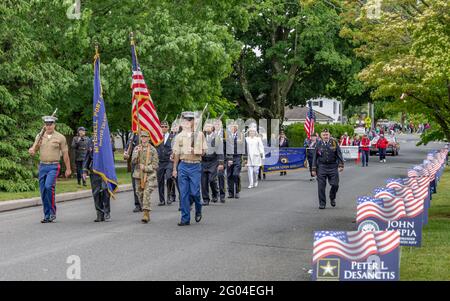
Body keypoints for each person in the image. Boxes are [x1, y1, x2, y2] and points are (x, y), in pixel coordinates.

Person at [28, 115, 72, 223]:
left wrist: (68, 169)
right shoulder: (39, 136)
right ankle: (47, 215)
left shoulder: (60, 137)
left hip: (54, 166)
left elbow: (65, 154)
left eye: (50, 124)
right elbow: (35, 149)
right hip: (42, 166)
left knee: (48, 187)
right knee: (43, 191)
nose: (48, 126)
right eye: (47, 124)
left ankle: (52, 212)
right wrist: (32, 150)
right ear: (44, 125)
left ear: (54, 125)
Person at [172, 111, 207, 226]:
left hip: (195, 165)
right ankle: (185, 218)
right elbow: (176, 154)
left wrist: (195, 151)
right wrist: (174, 169)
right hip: (183, 165)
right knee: (183, 193)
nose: (186, 122)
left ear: (192, 121)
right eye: (185, 120)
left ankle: (198, 208)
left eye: (189, 120)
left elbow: (204, 152)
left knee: (195, 192)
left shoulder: (200, 135)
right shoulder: (179, 136)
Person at [311, 128, 344, 209]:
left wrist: (341, 165)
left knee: (335, 185)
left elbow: (339, 154)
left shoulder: (334, 142)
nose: (325, 136)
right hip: (322, 167)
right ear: (321, 135)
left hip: (333, 166)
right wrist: (314, 169)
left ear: (329, 135)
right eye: (324, 135)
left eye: (327, 134)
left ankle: (332, 197)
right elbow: (315, 157)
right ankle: (322, 203)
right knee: (321, 186)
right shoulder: (318, 143)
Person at [131, 131, 159, 223]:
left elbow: (155, 165)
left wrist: (146, 168)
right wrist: (136, 154)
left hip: (150, 175)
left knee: (147, 192)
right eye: (142, 137)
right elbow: (133, 161)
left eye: (145, 137)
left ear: (149, 138)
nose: (143, 138)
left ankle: (145, 213)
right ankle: (145, 209)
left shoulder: (153, 150)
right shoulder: (136, 148)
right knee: (139, 193)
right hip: (138, 175)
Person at [83, 139, 111, 222]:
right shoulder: (90, 141)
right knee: (96, 192)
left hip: (104, 169)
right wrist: (84, 170)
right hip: (94, 169)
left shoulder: (106, 138)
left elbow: (110, 154)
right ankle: (99, 213)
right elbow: (87, 156)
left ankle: (106, 211)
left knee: (105, 189)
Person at [201, 120, 224, 205]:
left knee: (211, 179)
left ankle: (215, 193)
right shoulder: (201, 137)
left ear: (212, 128)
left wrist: (221, 163)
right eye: (205, 126)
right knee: (203, 181)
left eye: (209, 126)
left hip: (213, 161)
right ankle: (206, 199)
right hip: (203, 161)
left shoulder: (217, 138)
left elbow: (220, 151)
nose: (207, 128)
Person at [156, 120, 175, 206]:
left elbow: (175, 148)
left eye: (165, 126)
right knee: (160, 181)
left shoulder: (172, 137)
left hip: (169, 161)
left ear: (168, 127)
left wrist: (173, 154)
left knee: (169, 177)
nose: (163, 128)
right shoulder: (157, 137)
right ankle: (162, 200)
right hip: (159, 162)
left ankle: (169, 197)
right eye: (162, 126)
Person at [124, 133, 141, 212]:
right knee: (135, 185)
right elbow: (128, 146)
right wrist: (126, 153)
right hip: (135, 163)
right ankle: (137, 204)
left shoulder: (147, 131)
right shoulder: (132, 134)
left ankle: (145, 203)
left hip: (145, 163)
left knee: (144, 184)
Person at [226, 122, 243, 199]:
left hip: (237, 157)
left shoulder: (240, 136)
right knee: (229, 175)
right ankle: (231, 192)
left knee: (235, 174)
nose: (232, 128)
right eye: (231, 127)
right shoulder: (227, 136)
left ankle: (237, 191)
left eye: (234, 127)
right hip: (229, 157)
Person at [245, 124, 265, 188]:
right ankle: (251, 183)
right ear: (249, 132)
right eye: (250, 131)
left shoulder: (258, 139)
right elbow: (244, 148)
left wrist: (262, 156)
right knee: (250, 171)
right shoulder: (246, 139)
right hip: (249, 157)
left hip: (256, 156)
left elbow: (261, 148)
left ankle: (256, 181)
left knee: (255, 171)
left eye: (253, 131)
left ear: (255, 132)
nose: (252, 132)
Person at [214, 118, 226, 203]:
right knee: (212, 178)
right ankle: (215, 194)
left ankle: (222, 195)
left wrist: (229, 159)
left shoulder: (225, 134)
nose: (217, 126)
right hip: (212, 159)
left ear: (221, 125)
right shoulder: (210, 134)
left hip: (222, 158)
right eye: (215, 124)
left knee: (220, 176)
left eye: (218, 124)